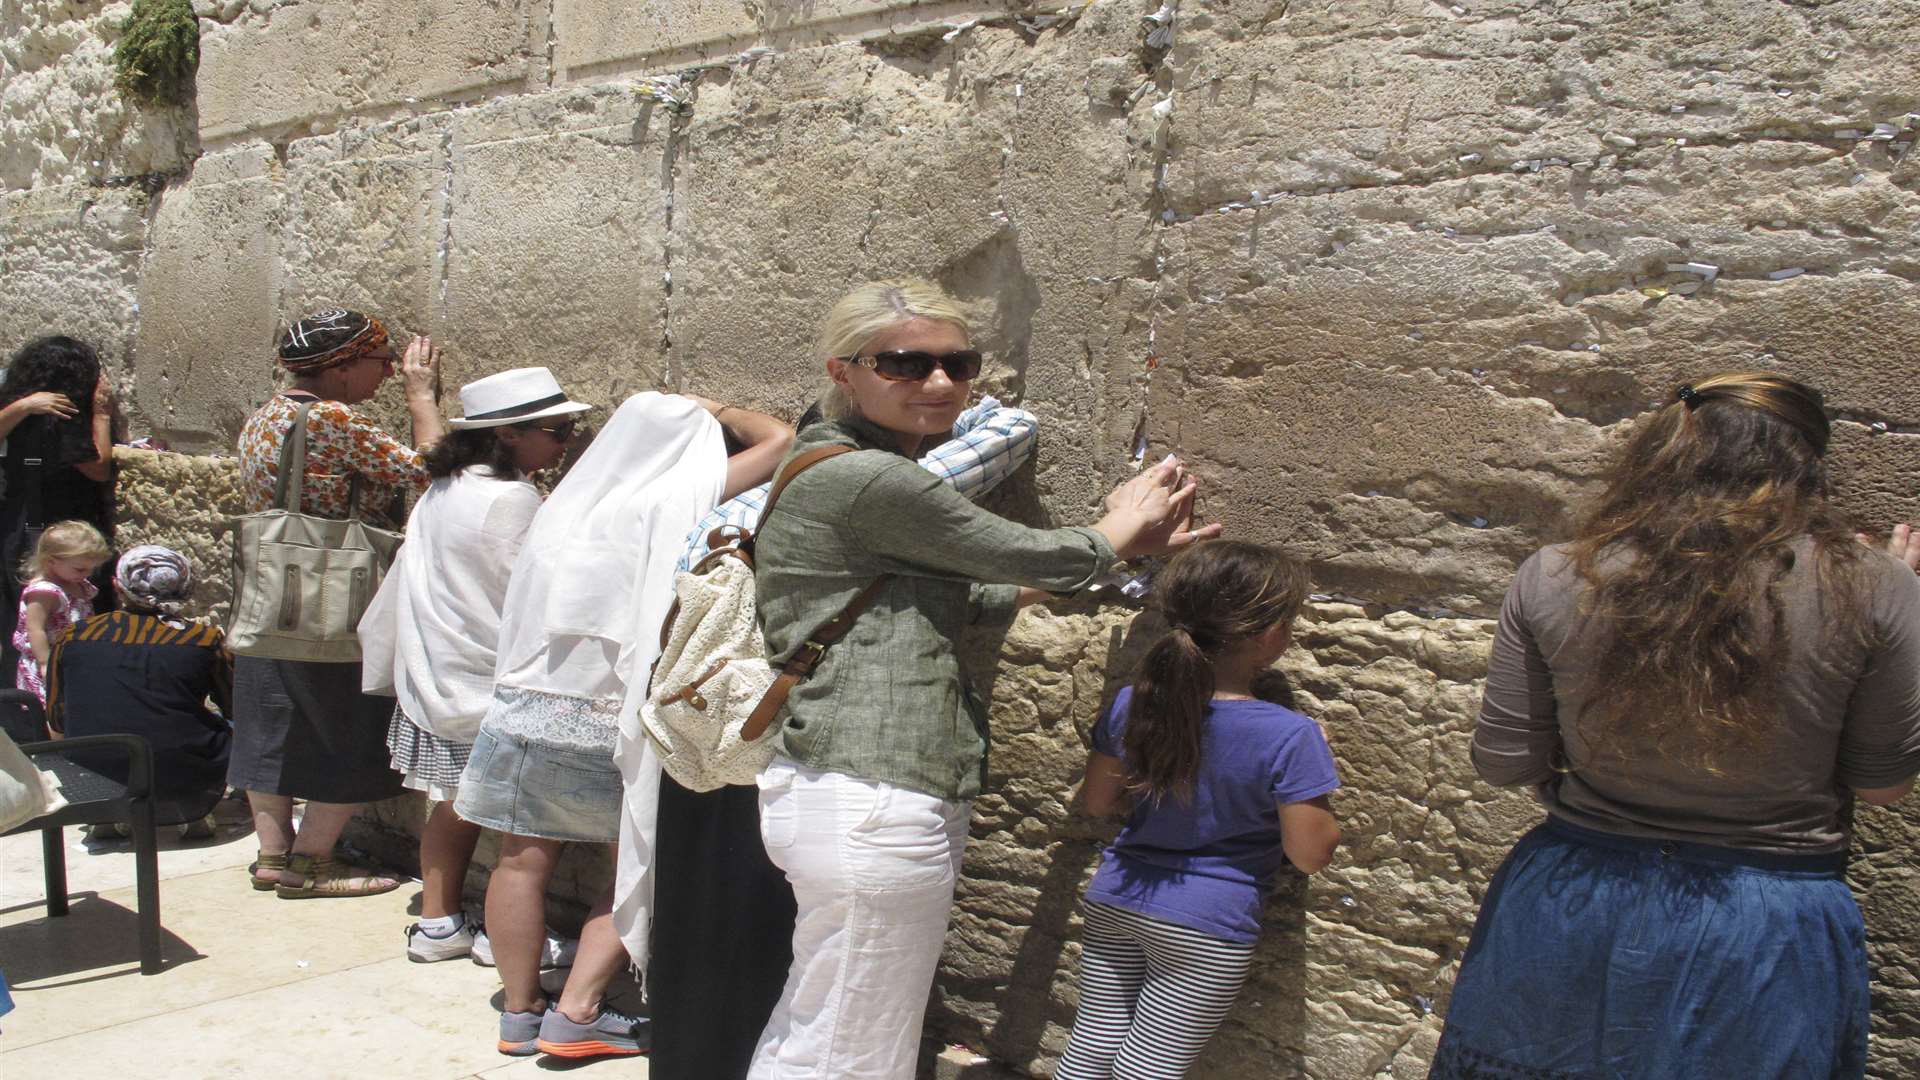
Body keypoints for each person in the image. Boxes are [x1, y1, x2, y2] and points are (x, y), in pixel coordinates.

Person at [746, 279, 1221, 1080]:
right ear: (844, 370)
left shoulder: (836, 464)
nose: (938, 385)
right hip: (872, 798)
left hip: (848, 788)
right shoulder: (872, 481)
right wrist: (1115, 532)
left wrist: (1118, 556)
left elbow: (965, 597)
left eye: (957, 365)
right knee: (847, 1042)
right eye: (904, 363)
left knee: (833, 1022)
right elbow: (1025, 551)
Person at [1429, 373, 1920, 1079]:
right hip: (1763, 924)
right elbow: (1883, 786)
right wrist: (1887, 597)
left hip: (1570, 902)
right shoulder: (1875, 586)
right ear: (1806, 465)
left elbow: (1505, 762)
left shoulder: (1555, 574)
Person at [646, 394, 1041, 1080]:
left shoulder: (734, 509)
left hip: (722, 746)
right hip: (789, 748)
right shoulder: (853, 490)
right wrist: (952, 400)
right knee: (831, 1011)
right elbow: (1010, 431)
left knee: (789, 984)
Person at [455, 390, 789, 1060]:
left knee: (519, 862)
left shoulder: (565, 505)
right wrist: (714, 406)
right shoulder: (674, 499)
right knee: (629, 869)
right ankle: (577, 1011)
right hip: (609, 719)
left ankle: (520, 1012)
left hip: (524, 708)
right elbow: (782, 442)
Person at [1054, 540, 1341, 1079]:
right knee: (1148, 1068)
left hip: (1118, 897)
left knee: (1088, 1051)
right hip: (1209, 922)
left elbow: (1097, 801)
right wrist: (1314, 766)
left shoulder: (1131, 702)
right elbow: (1308, 854)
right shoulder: (1291, 735)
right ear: (1271, 635)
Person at [356, 367, 594, 964]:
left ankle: (438, 923)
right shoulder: (512, 498)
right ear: (509, 435)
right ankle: (513, 938)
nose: (566, 442)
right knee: (527, 822)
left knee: (453, 802)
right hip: (487, 681)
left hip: (439, 672)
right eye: (557, 430)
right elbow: (535, 592)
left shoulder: (449, 484)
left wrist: (421, 398)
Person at [228, 308, 444, 898]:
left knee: (267, 717)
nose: (387, 374)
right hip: (336, 593)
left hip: (273, 592)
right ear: (342, 367)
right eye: (380, 363)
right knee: (346, 718)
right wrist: (421, 397)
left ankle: (273, 855)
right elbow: (432, 470)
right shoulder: (332, 418)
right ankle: (312, 864)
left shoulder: (264, 416)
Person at [46, 545, 234, 833]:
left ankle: (105, 814)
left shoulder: (73, 635)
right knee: (222, 729)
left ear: (117, 586)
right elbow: (236, 706)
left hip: (92, 766)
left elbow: (58, 717)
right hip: (178, 767)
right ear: (186, 590)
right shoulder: (203, 640)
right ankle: (193, 813)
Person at [0, 336, 118, 676]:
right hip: (54, 529)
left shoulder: (25, 409)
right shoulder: (61, 415)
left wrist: (22, 405)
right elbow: (98, 468)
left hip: (17, 524)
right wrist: (102, 415)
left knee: (17, 615)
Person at [12, 520, 111, 704]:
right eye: (80, 568)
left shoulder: (78, 584)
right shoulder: (44, 591)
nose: (87, 574)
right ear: (51, 561)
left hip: (75, 658)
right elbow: (35, 629)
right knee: (52, 708)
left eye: (92, 569)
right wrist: (45, 663)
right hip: (51, 661)